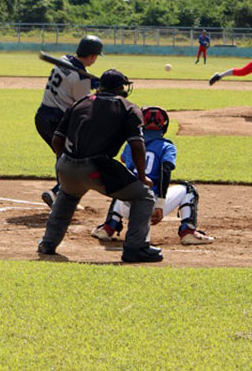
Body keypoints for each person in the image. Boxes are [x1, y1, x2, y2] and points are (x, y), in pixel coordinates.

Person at [37, 69, 163, 263]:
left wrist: (63, 160)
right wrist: (142, 176)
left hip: (67, 167)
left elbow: (57, 139)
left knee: (68, 195)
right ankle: (136, 248)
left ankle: (48, 243)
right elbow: (137, 144)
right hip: (98, 167)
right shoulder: (128, 107)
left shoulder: (80, 102)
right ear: (121, 88)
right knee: (143, 196)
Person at [91, 106, 214, 245]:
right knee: (189, 189)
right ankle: (188, 232)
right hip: (151, 207)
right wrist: (160, 205)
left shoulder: (131, 144)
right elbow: (165, 171)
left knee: (124, 183)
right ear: (164, 125)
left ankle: (108, 227)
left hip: (127, 206)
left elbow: (124, 163)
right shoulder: (167, 146)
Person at [35, 36, 103, 207]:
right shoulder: (81, 78)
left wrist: (91, 83)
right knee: (73, 159)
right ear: (93, 56)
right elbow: (83, 105)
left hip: (42, 117)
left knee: (63, 157)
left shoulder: (64, 60)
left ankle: (61, 195)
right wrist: (97, 88)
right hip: (57, 121)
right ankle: (56, 192)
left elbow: (72, 80)